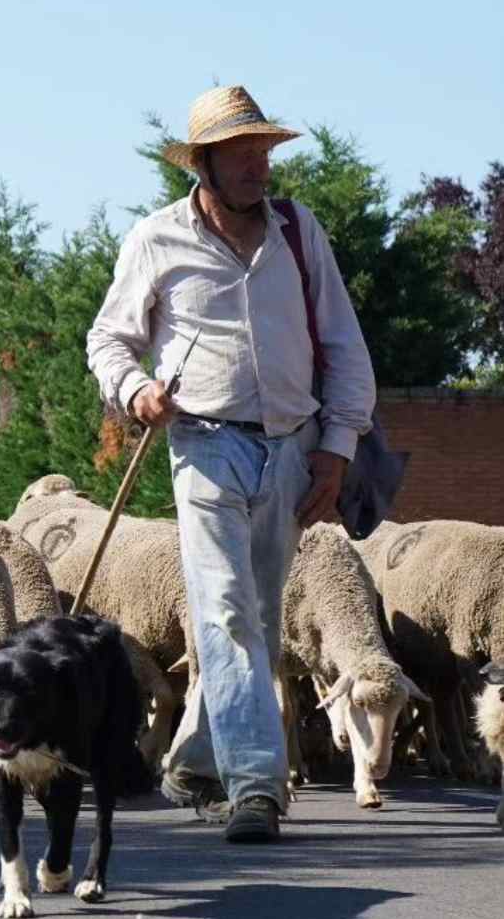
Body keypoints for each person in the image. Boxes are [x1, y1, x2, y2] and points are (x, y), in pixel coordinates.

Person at [85, 85, 376, 843]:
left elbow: (344, 347)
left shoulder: (298, 231)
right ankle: (257, 787)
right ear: (204, 165)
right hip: (205, 447)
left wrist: (337, 452)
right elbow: (108, 340)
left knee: (259, 620)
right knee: (222, 610)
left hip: (291, 448)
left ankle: (192, 759)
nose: (259, 165)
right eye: (242, 153)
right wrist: (136, 389)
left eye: (264, 150)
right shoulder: (157, 239)